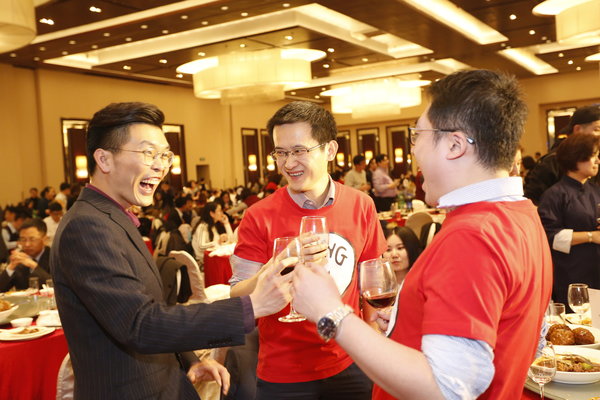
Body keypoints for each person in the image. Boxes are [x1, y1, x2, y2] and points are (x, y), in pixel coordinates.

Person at [292, 70, 553, 400]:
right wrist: (408, 322)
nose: (413, 151)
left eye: (418, 136)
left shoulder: (473, 236)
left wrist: (332, 312)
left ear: (455, 145)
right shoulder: (522, 213)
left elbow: (443, 388)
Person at [50, 102, 294, 400]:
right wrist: (251, 306)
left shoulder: (114, 218)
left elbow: (151, 307)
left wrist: (190, 359)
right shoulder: (87, 226)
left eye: (164, 155)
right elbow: (139, 324)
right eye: (148, 153)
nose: (161, 166)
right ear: (104, 159)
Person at [229, 101, 386, 399]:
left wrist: (374, 346)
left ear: (330, 150)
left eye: (299, 151)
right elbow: (238, 296)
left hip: (351, 359)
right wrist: (278, 263)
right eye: (281, 153)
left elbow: (371, 283)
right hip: (283, 372)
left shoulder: (361, 205)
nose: (289, 163)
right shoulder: (258, 216)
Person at [537, 134, 600, 308]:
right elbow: (550, 236)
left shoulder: (596, 190)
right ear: (577, 157)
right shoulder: (555, 195)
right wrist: (591, 236)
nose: (598, 161)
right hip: (572, 273)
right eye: (593, 156)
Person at [524, 104, 600, 204]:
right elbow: (533, 202)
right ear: (577, 130)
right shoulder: (553, 161)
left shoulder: (596, 160)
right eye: (597, 129)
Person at [0, 218, 51, 292]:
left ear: (45, 239)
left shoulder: (55, 257)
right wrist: (10, 267)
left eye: (32, 239)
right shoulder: (18, 259)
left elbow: (55, 286)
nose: (27, 244)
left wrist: (34, 266)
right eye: (23, 239)